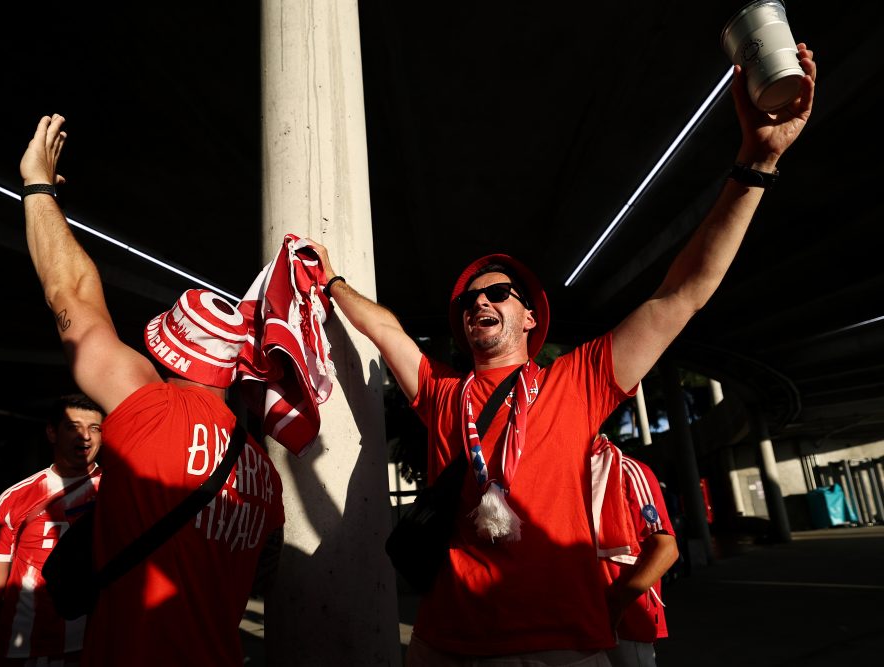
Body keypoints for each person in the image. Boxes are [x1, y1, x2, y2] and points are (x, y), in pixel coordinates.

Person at [308, 44, 816, 665]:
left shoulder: (580, 381)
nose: (478, 304)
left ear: (530, 316)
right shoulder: (442, 394)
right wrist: (331, 283)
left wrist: (755, 164)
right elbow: (384, 328)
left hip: (565, 649)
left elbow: (682, 295)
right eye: (468, 301)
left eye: (498, 293)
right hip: (446, 647)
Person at [18, 114, 285, 666]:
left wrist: (38, 187)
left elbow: (70, 290)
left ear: (167, 352)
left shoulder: (151, 407)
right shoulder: (266, 474)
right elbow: (262, 573)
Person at [0, 393, 105, 666]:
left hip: (90, 645)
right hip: (20, 645)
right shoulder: (15, 497)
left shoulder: (118, 493)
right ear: (52, 432)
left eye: (94, 428)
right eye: (73, 427)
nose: (85, 436)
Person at [600, 446, 678, 667]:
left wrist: (616, 604)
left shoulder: (626, 469)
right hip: (584, 621)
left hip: (626, 624)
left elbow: (666, 548)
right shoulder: (565, 472)